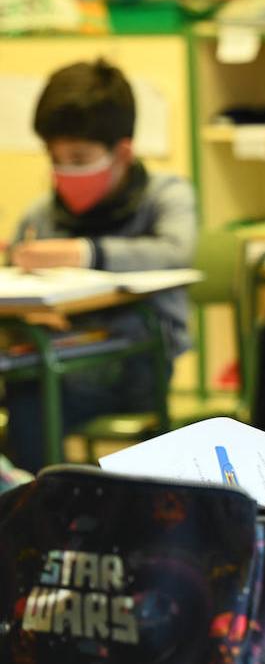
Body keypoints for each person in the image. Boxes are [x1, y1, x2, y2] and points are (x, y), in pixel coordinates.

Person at [4, 59, 196, 470]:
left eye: (79, 157)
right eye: (55, 158)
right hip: (51, 352)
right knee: (25, 382)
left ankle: (38, 514)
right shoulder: (43, 213)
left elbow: (176, 250)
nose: (64, 172)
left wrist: (83, 252)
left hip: (140, 362)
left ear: (122, 152)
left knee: (30, 396)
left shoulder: (166, 195)